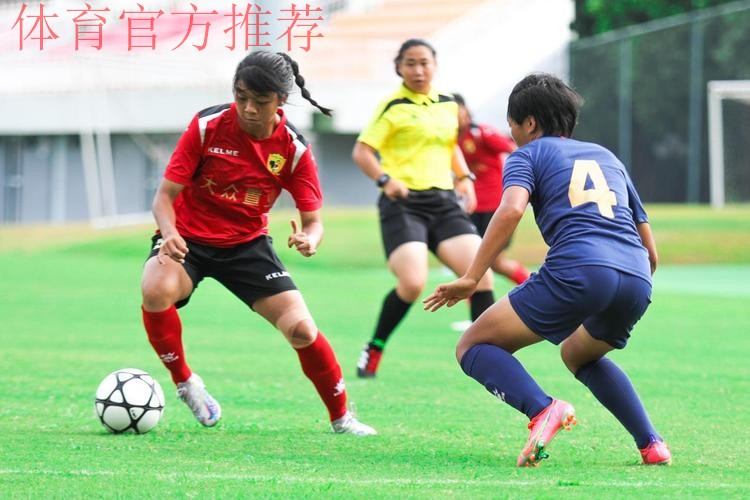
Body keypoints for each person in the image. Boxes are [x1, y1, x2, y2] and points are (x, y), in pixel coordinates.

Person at [424, 73, 671, 466]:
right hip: (637, 277)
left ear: (529, 123)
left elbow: (511, 210)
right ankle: (652, 444)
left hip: (580, 268)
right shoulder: (607, 156)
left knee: (472, 345)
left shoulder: (526, 156)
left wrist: (471, 277)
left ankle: (543, 409)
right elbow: (649, 249)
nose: (511, 133)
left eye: (512, 124)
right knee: (579, 355)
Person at [140, 51, 376, 436]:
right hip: (187, 239)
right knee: (155, 289)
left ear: (280, 100)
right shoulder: (207, 126)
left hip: (246, 246)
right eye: (241, 97)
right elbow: (164, 197)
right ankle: (186, 382)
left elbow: (314, 222)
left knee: (302, 330)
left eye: (260, 101)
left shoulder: (293, 150)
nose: (248, 108)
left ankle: (342, 418)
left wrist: (309, 239)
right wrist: (169, 234)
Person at [352, 38, 495, 378]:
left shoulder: (447, 104)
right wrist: (385, 179)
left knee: (481, 277)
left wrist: (464, 177)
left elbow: (449, 145)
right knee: (413, 282)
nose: (418, 70)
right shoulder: (392, 106)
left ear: (435, 65)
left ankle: (488, 357)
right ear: (399, 68)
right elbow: (362, 151)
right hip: (403, 205)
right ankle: (375, 347)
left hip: (443, 202)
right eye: (410, 63)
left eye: (424, 63)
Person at [454, 93, 530, 286]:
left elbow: (513, 148)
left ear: (465, 111)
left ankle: (532, 287)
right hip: (471, 207)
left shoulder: (481, 133)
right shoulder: (451, 140)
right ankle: (477, 305)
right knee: (471, 261)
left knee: (495, 263)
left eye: (457, 109)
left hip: (495, 206)